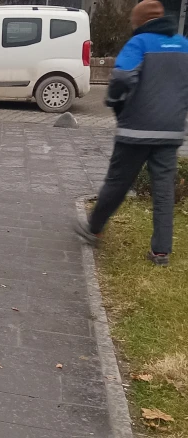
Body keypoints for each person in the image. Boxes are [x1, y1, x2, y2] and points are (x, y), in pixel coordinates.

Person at [74, 0, 188, 267]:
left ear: (138, 21)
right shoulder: (183, 45)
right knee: (163, 190)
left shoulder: (140, 44)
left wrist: (116, 102)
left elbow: (123, 77)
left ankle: (94, 229)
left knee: (118, 183)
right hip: (170, 131)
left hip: (136, 128)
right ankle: (161, 252)